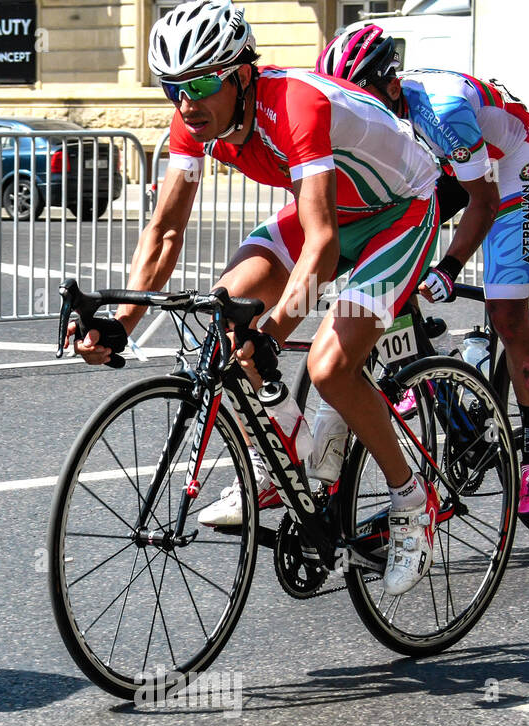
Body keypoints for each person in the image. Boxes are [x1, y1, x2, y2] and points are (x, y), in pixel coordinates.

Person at [66, 0, 443, 596]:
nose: (188, 103)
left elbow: (319, 246)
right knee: (224, 314)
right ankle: (280, 460)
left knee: (328, 366)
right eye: (174, 87)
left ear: (242, 74)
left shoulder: (296, 106)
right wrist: (122, 322)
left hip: (400, 210)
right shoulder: (192, 122)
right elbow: (165, 231)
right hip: (333, 211)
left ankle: (410, 501)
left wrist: (274, 331)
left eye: (205, 83)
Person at [317, 22, 529, 514]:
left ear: (391, 87)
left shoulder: (442, 109)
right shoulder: (370, 123)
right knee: (388, 263)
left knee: (507, 313)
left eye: (362, 98)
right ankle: (424, 367)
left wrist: (448, 267)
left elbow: (481, 200)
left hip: (502, 170)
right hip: (441, 167)